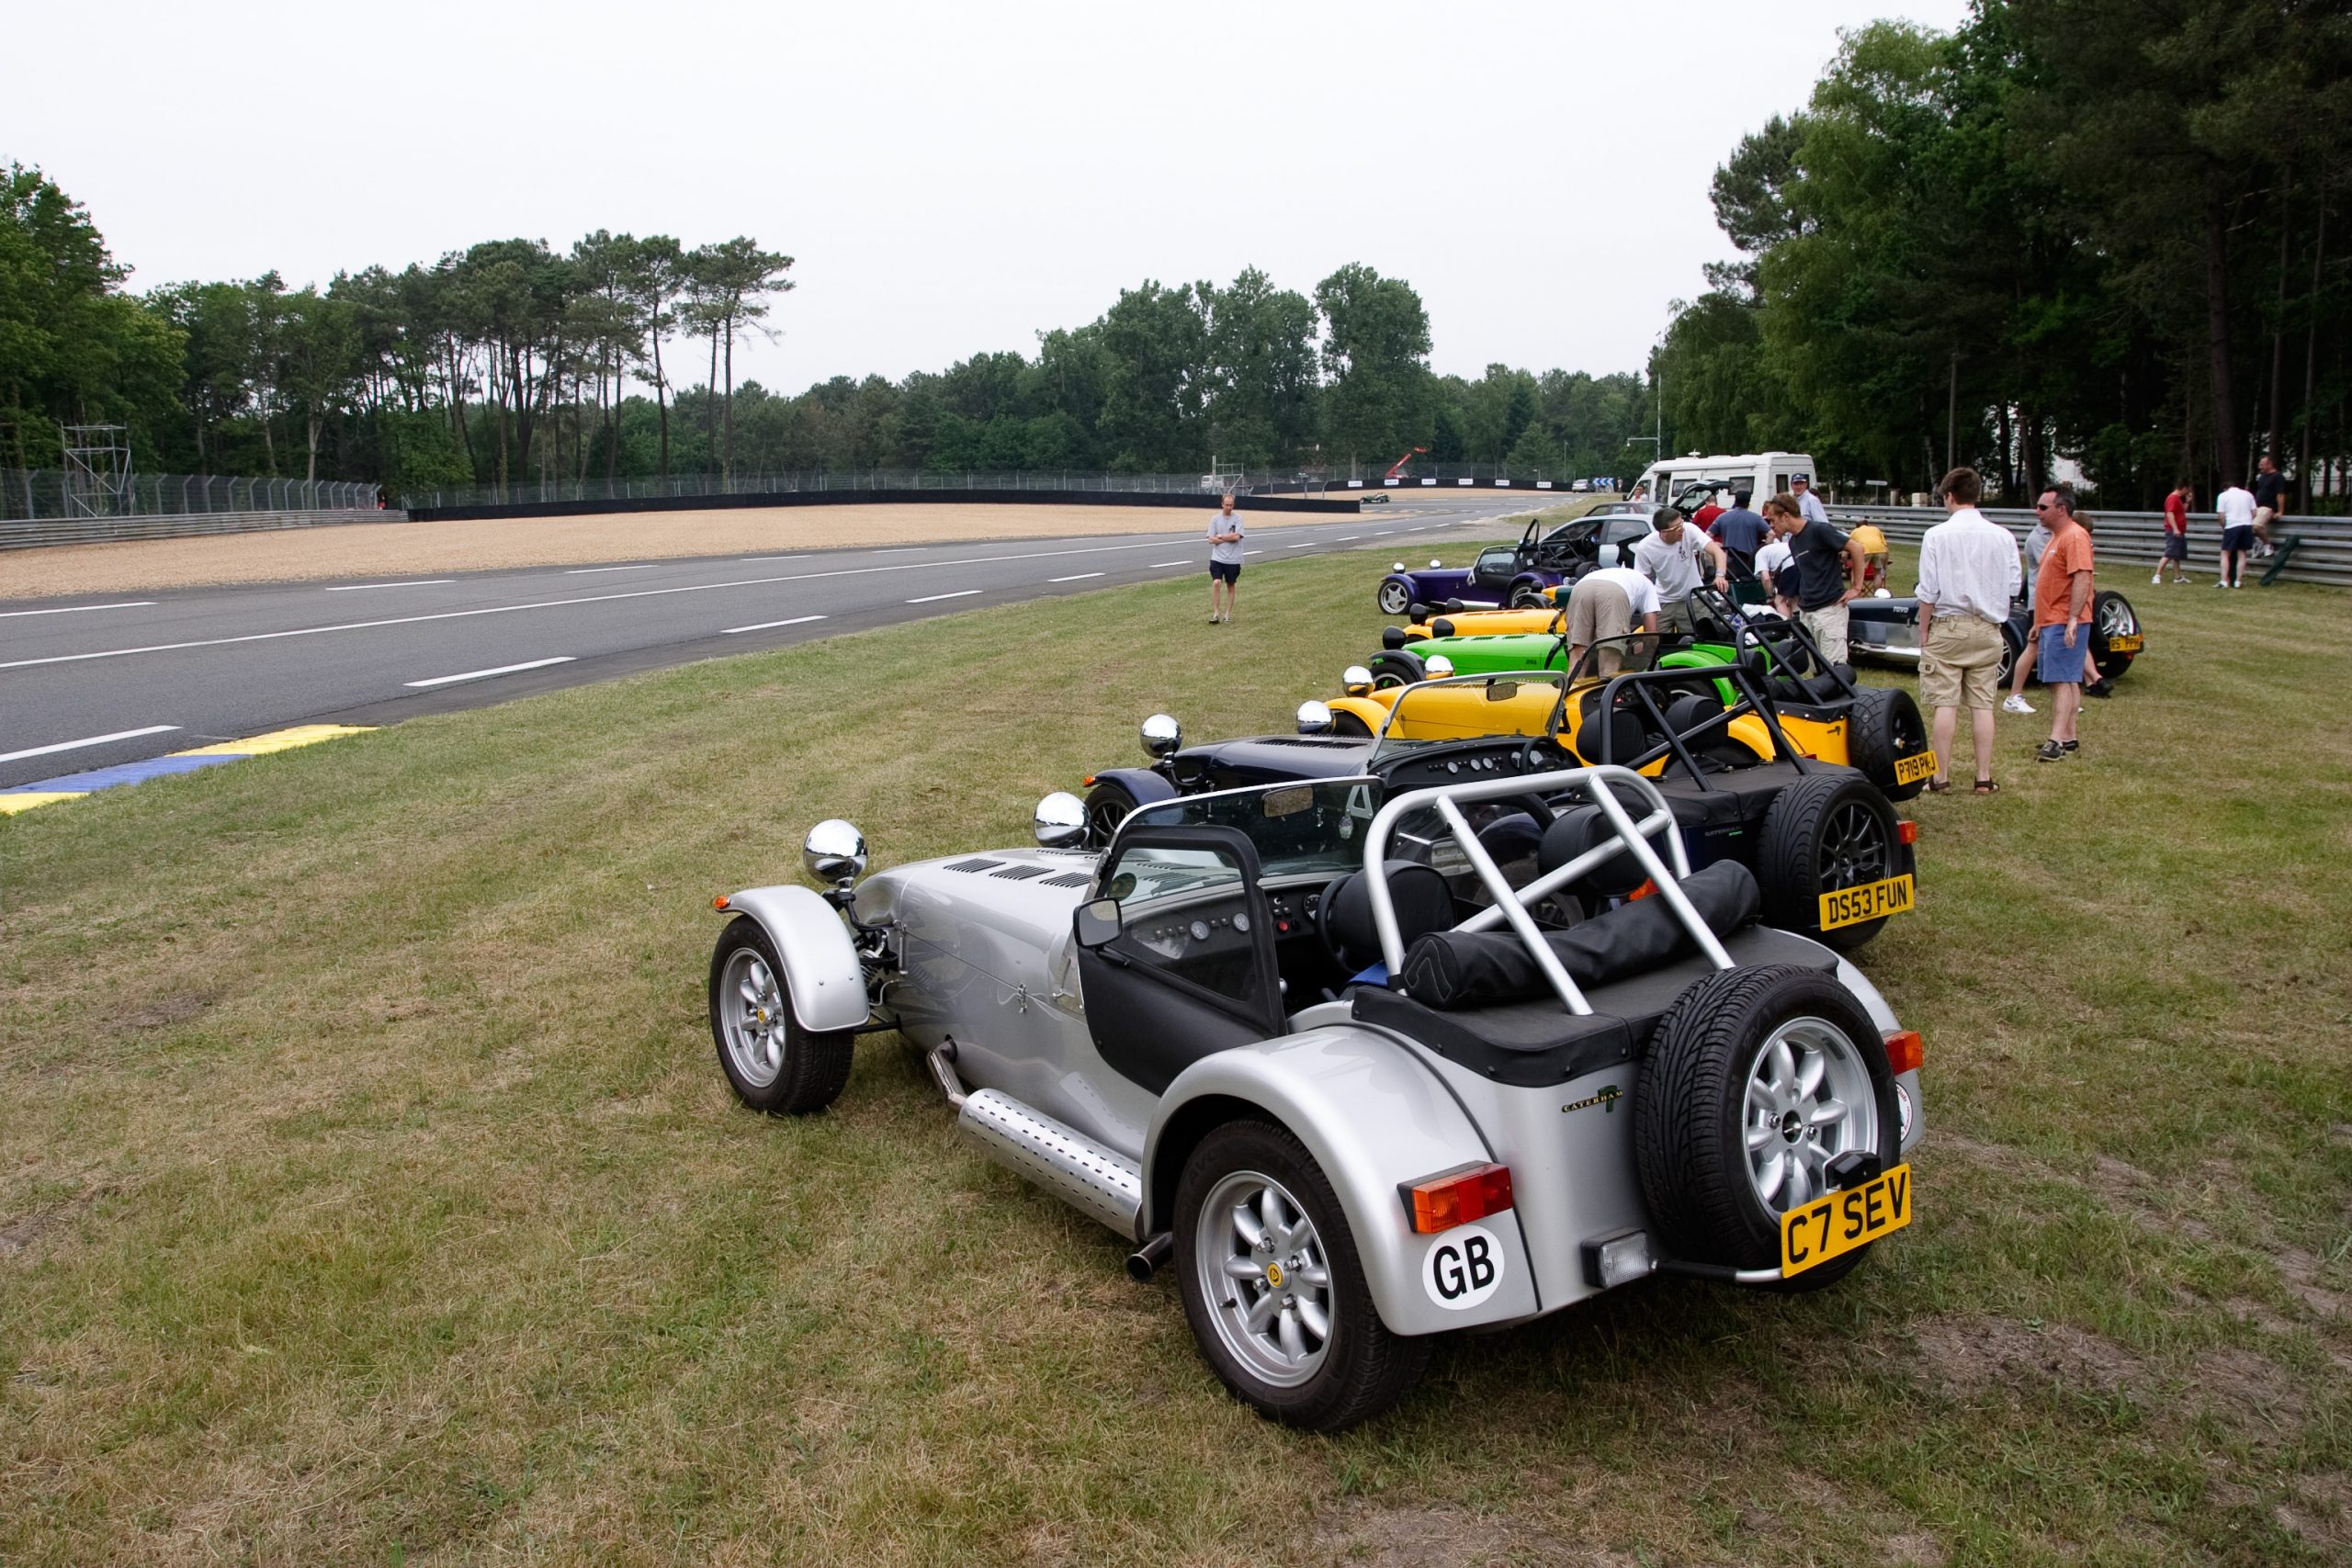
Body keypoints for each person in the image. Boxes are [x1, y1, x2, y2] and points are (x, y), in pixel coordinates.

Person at [1915, 468, 2020, 795]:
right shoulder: (2003, 536)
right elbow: (2014, 585)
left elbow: (1928, 591)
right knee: (1982, 704)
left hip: (1949, 624)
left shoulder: (1937, 535)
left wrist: (1923, 632)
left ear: (1949, 496)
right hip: (1989, 628)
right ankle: (1983, 777)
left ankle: (1941, 777)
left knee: (1945, 702)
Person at [1762, 491, 1864, 663]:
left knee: (1835, 669)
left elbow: (1857, 548)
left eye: (1772, 520)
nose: (1771, 525)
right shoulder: (1793, 542)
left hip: (1829, 610)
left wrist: (1856, 587)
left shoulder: (1819, 530)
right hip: (1806, 611)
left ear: (1785, 516)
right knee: (1816, 669)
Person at [2031, 493, 2096, 761]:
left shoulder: (2075, 536)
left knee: (2060, 680)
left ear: (2061, 509)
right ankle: (2068, 736)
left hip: (2064, 620)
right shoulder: (2058, 536)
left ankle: (2055, 741)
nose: (2037, 511)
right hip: (2052, 619)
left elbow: (2082, 576)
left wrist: (2072, 618)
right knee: (2067, 679)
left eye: (2043, 507)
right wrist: (2039, 622)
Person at [1631, 505, 1729, 634]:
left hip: (1693, 599)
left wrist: (1720, 575)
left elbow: (1718, 552)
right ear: (1663, 532)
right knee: (1657, 643)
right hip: (1663, 602)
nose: (1681, 530)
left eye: (1681, 524)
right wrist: (1646, 607)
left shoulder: (1689, 530)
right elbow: (1643, 581)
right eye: (1676, 528)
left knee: (1699, 640)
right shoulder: (1645, 547)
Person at [1564, 564, 1662, 678]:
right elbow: (1651, 631)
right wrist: (1648, 655)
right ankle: (1604, 692)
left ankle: (1573, 690)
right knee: (1609, 654)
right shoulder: (1649, 585)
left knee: (1577, 656)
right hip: (1613, 591)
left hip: (1581, 587)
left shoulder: (1615, 572)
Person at [1205, 491, 1244, 622]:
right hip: (1217, 557)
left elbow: (1237, 537)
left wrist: (1220, 536)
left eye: (1231, 505)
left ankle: (1227, 614)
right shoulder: (1215, 519)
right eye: (1226, 505)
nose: (1228, 507)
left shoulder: (1238, 518)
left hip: (1233, 558)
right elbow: (1210, 539)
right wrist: (1228, 538)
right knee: (1216, 582)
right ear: (1222, 504)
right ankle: (1215, 613)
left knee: (1231, 585)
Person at [1711, 491, 1769, 576]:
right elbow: (1771, 534)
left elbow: (1707, 535)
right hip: (1750, 562)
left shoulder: (1722, 517)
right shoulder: (1756, 518)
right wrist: (1765, 551)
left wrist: (1717, 546)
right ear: (1749, 502)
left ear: (1735, 501)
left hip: (1729, 563)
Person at [2214, 476, 2256, 589]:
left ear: (2224, 489)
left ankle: (2224, 581)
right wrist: (2247, 520)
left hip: (2232, 525)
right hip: (2246, 525)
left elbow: (2221, 516)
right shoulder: (2248, 494)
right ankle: (2238, 581)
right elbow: (2254, 512)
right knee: (2242, 553)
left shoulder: (2223, 496)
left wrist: (2224, 527)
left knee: (2225, 553)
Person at [2156, 480, 2193, 584]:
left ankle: (2178, 577)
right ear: (2183, 488)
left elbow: (2181, 512)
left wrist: (2188, 501)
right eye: (2187, 489)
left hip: (2179, 530)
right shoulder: (2172, 498)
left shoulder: (2178, 499)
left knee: (2176, 555)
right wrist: (2175, 529)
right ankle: (2157, 575)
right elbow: (2170, 514)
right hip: (2173, 530)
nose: (2188, 491)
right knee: (2169, 553)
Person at [2251, 455, 2285, 556]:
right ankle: (2258, 543)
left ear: (2269, 464)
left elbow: (2280, 494)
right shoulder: (2262, 477)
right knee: (2242, 525)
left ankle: (2268, 545)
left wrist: (2280, 511)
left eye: (2262, 465)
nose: (2260, 467)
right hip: (2257, 507)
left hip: (2268, 507)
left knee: (2256, 526)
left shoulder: (2277, 476)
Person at [1849, 517, 1891, 592]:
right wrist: (1885, 563)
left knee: (1856, 571)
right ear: (1868, 524)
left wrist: (1845, 561)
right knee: (1877, 572)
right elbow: (1886, 547)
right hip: (1880, 550)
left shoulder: (1854, 532)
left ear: (1856, 526)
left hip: (1865, 550)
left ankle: (1857, 591)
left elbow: (1849, 548)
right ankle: (1877, 593)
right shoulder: (1876, 529)